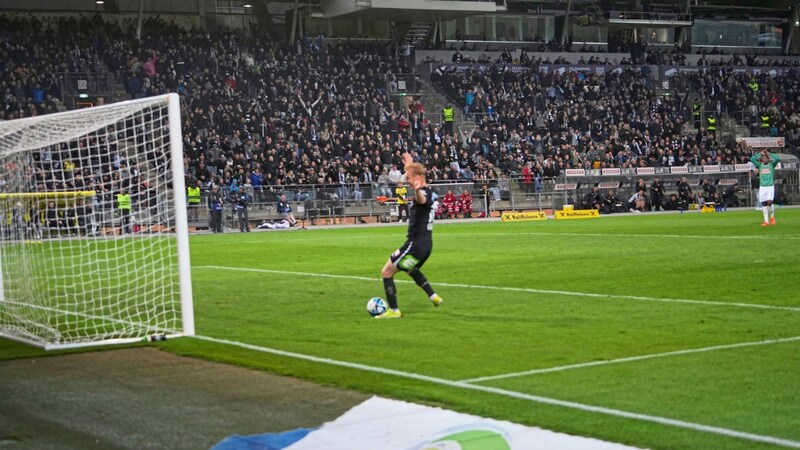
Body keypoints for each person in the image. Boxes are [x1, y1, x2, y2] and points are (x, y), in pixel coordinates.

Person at [375, 152, 443, 319]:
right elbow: (414, 183)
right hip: (426, 245)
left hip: (415, 244)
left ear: (419, 177)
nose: (408, 180)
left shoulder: (424, 193)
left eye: (411, 177)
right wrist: (409, 167)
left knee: (386, 272)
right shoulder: (433, 191)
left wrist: (418, 190)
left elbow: (421, 199)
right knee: (410, 268)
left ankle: (394, 310)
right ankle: (434, 296)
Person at [750, 149, 780, 226]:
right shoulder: (760, 165)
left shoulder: (771, 165)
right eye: (764, 158)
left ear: (768, 159)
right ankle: (766, 221)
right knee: (763, 203)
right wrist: (760, 153)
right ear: (762, 159)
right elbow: (752, 159)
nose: (765, 159)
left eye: (766, 158)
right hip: (762, 187)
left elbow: (777, 158)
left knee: (769, 202)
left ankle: (772, 217)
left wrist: (769, 153)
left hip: (770, 186)